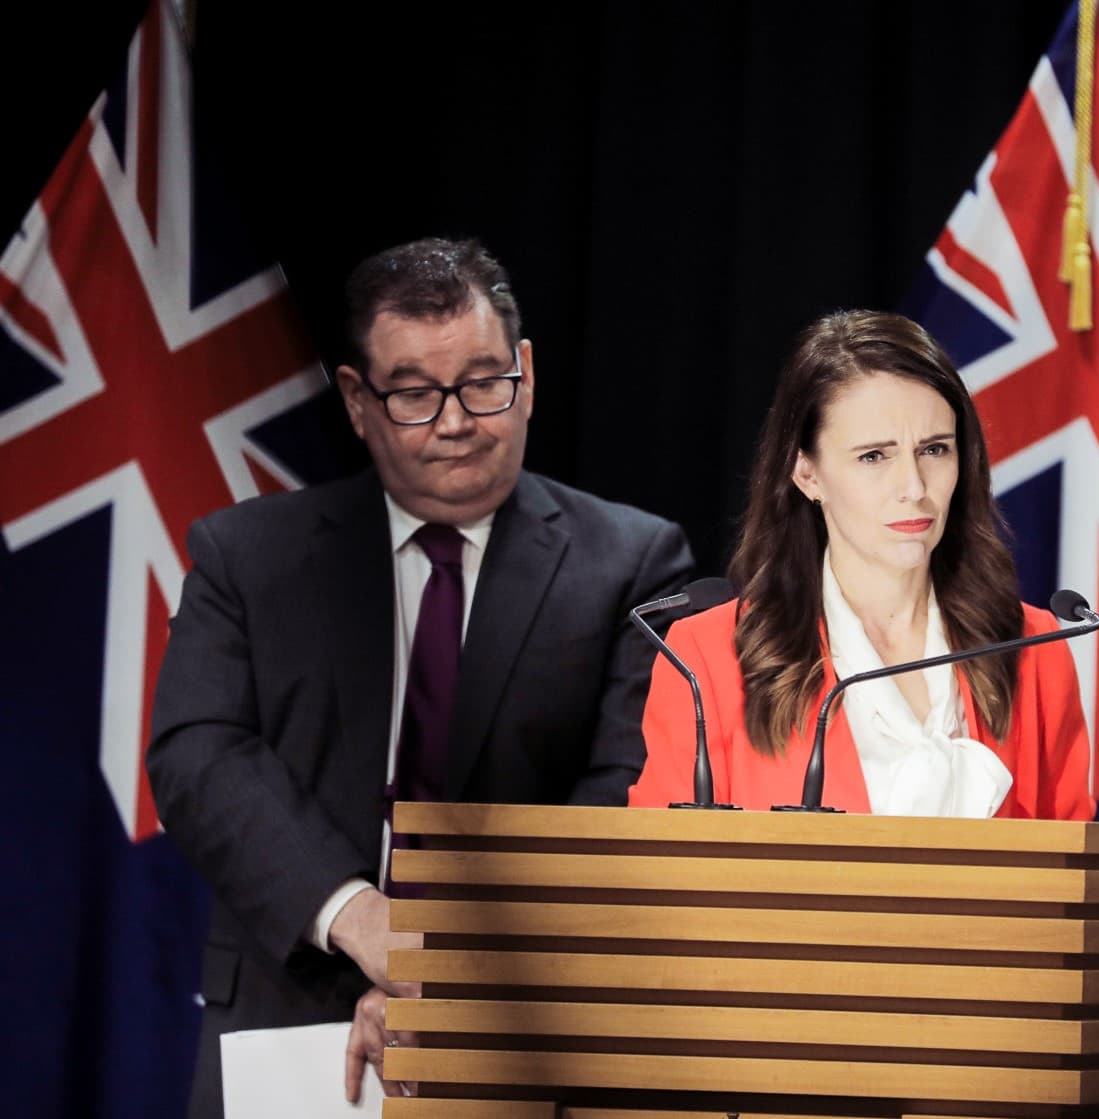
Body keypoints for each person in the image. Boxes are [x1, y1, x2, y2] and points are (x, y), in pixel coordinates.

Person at [147, 237, 693, 1117]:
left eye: (483, 382)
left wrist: (451, 965)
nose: (455, 421)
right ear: (358, 401)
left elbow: (625, 788)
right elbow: (198, 754)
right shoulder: (247, 556)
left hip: (524, 1014)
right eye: (414, 393)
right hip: (290, 1024)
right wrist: (370, 923)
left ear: (526, 371)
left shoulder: (634, 562)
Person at [630, 310, 1092, 819]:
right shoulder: (707, 659)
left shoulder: (1034, 646)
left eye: (934, 450)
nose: (914, 489)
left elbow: (1073, 873)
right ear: (807, 474)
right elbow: (662, 872)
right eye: (874, 456)